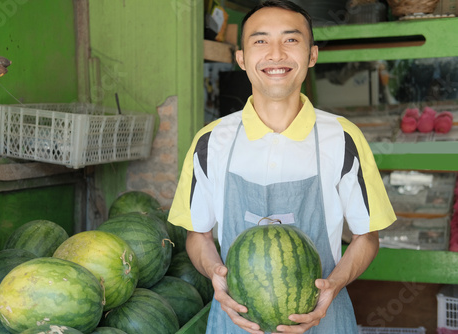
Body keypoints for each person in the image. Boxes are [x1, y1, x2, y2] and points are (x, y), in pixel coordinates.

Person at [168, 1, 396, 333]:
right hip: (238, 320)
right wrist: (215, 274)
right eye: (260, 40)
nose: (276, 54)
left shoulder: (343, 137)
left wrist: (333, 284)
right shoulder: (211, 141)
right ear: (242, 58)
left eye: (291, 40)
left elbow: (367, 236)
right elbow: (198, 235)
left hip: (324, 318)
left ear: (312, 55)